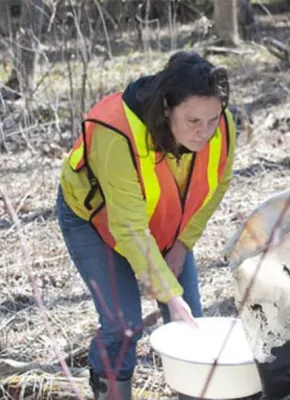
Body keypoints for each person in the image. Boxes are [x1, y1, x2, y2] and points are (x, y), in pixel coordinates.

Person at [56, 51, 237, 400]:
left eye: (212, 119)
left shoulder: (221, 125)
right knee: (123, 326)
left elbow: (218, 183)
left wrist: (182, 244)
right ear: (167, 107)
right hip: (94, 220)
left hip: (161, 220)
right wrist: (169, 294)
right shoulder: (117, 133)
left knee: (190, 325)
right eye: (193, 121)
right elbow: (128, 227)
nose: (205, 132)